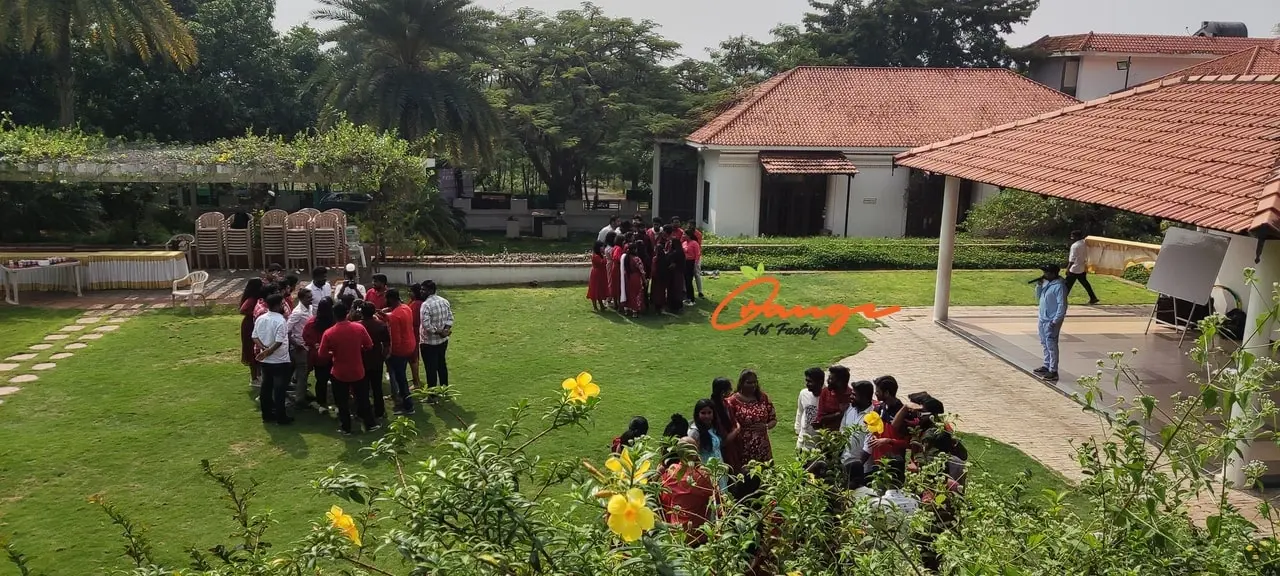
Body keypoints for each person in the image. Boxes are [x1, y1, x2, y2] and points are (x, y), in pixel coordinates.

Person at [319, 301, 378, 435]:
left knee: (342, 402)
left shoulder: (329, 333)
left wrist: (333, 352)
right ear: (347, 313)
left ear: (334, 315)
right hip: (358, 370)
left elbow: (322, 354)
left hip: (339, 372)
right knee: (363, 399)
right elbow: (369, 345)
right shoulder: (359, 328)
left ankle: (346, 428)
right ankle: (370, 424)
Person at [725, 369, 776, 497]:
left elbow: (773, 419)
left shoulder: (762, 397)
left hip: (763, 449)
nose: (752, 385)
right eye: (749, 382)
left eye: (754, 382)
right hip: (743, 449)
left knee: (765, 482)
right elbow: (728, 424)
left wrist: (766, 426)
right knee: (745, 482)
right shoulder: (732, 401)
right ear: (741, 383)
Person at [659, 438, 716, 546]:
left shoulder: (671, 471)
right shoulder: (702, 475)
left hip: (675, 533)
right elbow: (717, 500)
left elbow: (664, 498)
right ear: (695, 452)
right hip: (697, 535)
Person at [252, 294, 293, 425]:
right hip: (280, 360)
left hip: (266, 362)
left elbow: (254, 337)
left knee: (266, 388)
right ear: (276, 305)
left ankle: (267, 415)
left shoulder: (261, 319)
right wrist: (267, 351)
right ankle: (281, 417)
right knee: (279, 390)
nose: (283, 306)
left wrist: (263, 349)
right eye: (282, 304)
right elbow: (279, 342)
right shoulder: (280, 320)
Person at [383, 288, 417, 416]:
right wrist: (385, 315)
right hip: (410, 345)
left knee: (401, 379)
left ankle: (408, 407)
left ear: (391, 299)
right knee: (402, 376)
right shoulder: (405, 308)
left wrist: (390, 354)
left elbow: (395, 340)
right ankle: (405, 402)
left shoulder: (395, 316)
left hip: (400, 350)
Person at [418, 280, 454, 400]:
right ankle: (444, 390)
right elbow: (450, 318)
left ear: (430, 290)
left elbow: (426, 325)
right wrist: (445, 330)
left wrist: (440, 332)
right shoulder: (444, 301)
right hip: (442, 341)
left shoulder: (426, 305)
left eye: (423, 290)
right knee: (441, 365)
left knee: (430, 369)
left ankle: (432, 396)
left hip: (429, 343)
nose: (421, 292)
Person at [839, 380, 877, 488]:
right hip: (845, 464)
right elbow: (842, 433)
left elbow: (868, 447)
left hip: (863, 471)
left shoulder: (873, 416)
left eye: (854, 395)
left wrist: (856, 469)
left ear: (865, 397)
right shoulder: (850, 409)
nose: (851, 396)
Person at [1034, 264, 1068, 381]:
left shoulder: (1059, 286)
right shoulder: (1046, 283)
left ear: (1054, 274)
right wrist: (1038, 286)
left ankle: (1053, 370)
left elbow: (1062, 305)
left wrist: (1056, 320)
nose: (1045, 274)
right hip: (1043, 317)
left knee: (1051, 344)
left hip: (1052, 320)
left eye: (1047, 272)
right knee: (1044, 342)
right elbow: (1038, 298)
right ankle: (1046, 364)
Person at [303, 297, 337, 414]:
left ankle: (322, 404)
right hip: (334, 356)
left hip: (319, 357)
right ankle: (338, 404)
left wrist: (315, 345)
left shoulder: (311, 323)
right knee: (336, 380)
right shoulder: (335, 322)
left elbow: (306, 338)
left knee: (321, 380)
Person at [688, 398, 729, 492]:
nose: (707, 416)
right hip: (706, 473)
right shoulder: (695, 432)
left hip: (719, 470)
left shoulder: (713, 427)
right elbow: (692, 456)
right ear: (697, 414)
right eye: (703, 413)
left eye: (709, 412)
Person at [359, 300, 391, 421]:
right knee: (377, 387)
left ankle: (365, 411)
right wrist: (383, 356)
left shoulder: (358, 326)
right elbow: (387, 344)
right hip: (377, 359)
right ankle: (380, 411)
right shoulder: (381, 325)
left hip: (362, 360)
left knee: (363, 388)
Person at [286, 287, 314, 407]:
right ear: (301, 299)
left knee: (300, 373)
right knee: (302, 375)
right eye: (308, 298)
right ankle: (300, 400)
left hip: (306, 346)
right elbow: (287, 331)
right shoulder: (297, 313)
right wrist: (296, 344)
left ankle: (299, 395)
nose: (311, 299)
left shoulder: (310, 308)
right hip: (299, 347)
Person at [708, 377, 743, 474]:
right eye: (730, 389)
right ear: (723, 392)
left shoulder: (726, 404)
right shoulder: (715, 410)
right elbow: (725, 441)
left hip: (732, 447)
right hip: (724, 451)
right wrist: (737, 429)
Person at [238, 278, 265, 387]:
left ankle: (258, 376)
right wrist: (255, 313)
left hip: (255, 324)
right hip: (249, 326)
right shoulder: (251, 299)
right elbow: (242, 310)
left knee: (257, 350)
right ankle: (254, 378)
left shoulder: (258, 298)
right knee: (251, 351)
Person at [1065, 230, 1099, 305]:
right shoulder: (1085, 244)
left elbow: (1072, 259)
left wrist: (1068, 268)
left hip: (1074, 268)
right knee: (1085, 284)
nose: (1072, 238)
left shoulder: (1075, 246)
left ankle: (1062, 299)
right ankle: (1093, 297)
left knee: (1067, 285)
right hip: (1082, 267)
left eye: (1073, 237)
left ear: (1077, 237)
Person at [794, 367, 824, 452]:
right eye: (806, 381)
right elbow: (800, 412)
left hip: (818, 447)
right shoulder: (803, 393)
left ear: (820, 382)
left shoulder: (827, 397)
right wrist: (797, 430)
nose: (807, 384)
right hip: (802, 443)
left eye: (810, 381)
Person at [816, 365, 852, 432]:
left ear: (840, 382)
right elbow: (820, 418)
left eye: (831, 379)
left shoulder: (852, 395)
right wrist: (838, 414)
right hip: (828, 436)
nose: (827, 381)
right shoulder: (825, 392)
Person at [408, 283, 425, 390]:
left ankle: (416, 381)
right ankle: (415, 378)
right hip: (414, 332)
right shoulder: (413, 302)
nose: (409, 293)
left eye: (411, 291)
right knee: (413, 357)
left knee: (413, 358)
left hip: (414, 332)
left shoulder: (416, 304)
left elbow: (412, 320)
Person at [623, 242, 646, 317]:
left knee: (629, 293)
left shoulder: (626, 258)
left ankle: (627, 309)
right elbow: (641, 270)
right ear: (634, 250)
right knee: (637, 294)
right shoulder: (636, 259)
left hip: (627, 276)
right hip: (635, 277)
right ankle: (635, 311)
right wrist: (644, 279)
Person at [587, 241, 609, 312]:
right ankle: (595, 307)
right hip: (596, 274)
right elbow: (602, 262)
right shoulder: (595, 256)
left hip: (601, 274)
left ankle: (601, 305)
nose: (603, 248)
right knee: (595, 289)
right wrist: (605, 257)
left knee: (600, 290)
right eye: (602, 247)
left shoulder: (600, 255)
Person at [684, 225, 704, 301]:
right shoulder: (684, 243)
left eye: (684, 234)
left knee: (690, 279)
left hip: (692, 262)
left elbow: (697, 254)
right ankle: (687, 296)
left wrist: (695, 264)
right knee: (686, 280)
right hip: (686, 263)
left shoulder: (694, 243)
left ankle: (692, 298)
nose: (683, 236)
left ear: (688, 235)